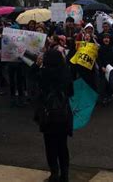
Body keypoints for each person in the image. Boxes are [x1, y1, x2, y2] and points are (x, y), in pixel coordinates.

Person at [33, 49, 73, 182]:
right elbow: (71, 92)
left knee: (50, 145)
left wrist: (37, 65)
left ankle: (54, 173)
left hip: (48, 115)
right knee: (63, 145)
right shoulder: (66, 72)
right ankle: (65, 175)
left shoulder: (42, 73)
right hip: (63, 114)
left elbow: (32, 81)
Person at [97, 34, 113, 104]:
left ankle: (109, 96)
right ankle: (103, 98)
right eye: (105, 38)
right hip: (102, 69)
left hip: (111, 69)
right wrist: (101, 67)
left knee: (110, 83)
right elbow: (98, 59)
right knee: (102, 84)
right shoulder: (100, 49)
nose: (106, 39)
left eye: (108, 38)